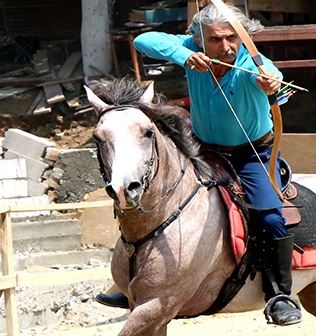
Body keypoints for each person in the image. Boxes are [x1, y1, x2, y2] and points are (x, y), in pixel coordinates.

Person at [95, 4, 302, 326]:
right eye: (215, 40)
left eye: (232, 38)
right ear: (198, 39)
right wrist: (183, 57)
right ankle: (132, 284)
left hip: (251, 155)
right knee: (144, 201)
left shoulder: (253, 63)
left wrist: (270, 85)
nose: (225, 47)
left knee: (269, 215)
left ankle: (280, 294)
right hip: (202, 151)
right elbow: (144, 40)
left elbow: (273, 77)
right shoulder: (191, 49)